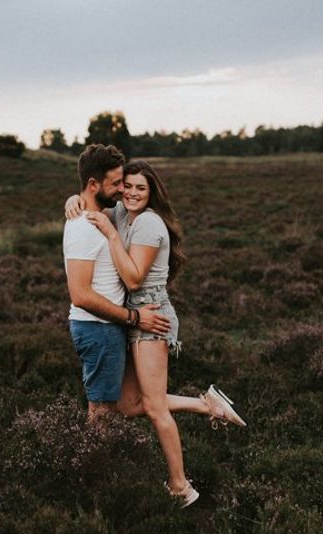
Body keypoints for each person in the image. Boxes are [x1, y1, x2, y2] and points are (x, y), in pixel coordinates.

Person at [65, 159, 246, 508]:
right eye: (126, 186)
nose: (130, 193)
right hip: (134, 317)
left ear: (152, 193)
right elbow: (95, 199)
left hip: (151, 316)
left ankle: (181, 486)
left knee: (154, 406)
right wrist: (73, 198)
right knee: (129, 405)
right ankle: (207, 404)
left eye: (140, 188)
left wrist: (110, 234)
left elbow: (133, 279)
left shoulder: (147, 223)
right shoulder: (121, 212)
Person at [64, 145, 171, 424]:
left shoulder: (101, 217)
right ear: (92, 184)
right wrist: (134, 317)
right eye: (115, 184)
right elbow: (80, 295)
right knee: (102, 414)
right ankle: (93, 467)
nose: (122, 191)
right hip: (98, 329)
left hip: (106, 328)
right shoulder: (83, 227)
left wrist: (73, 198)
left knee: (112, 409)